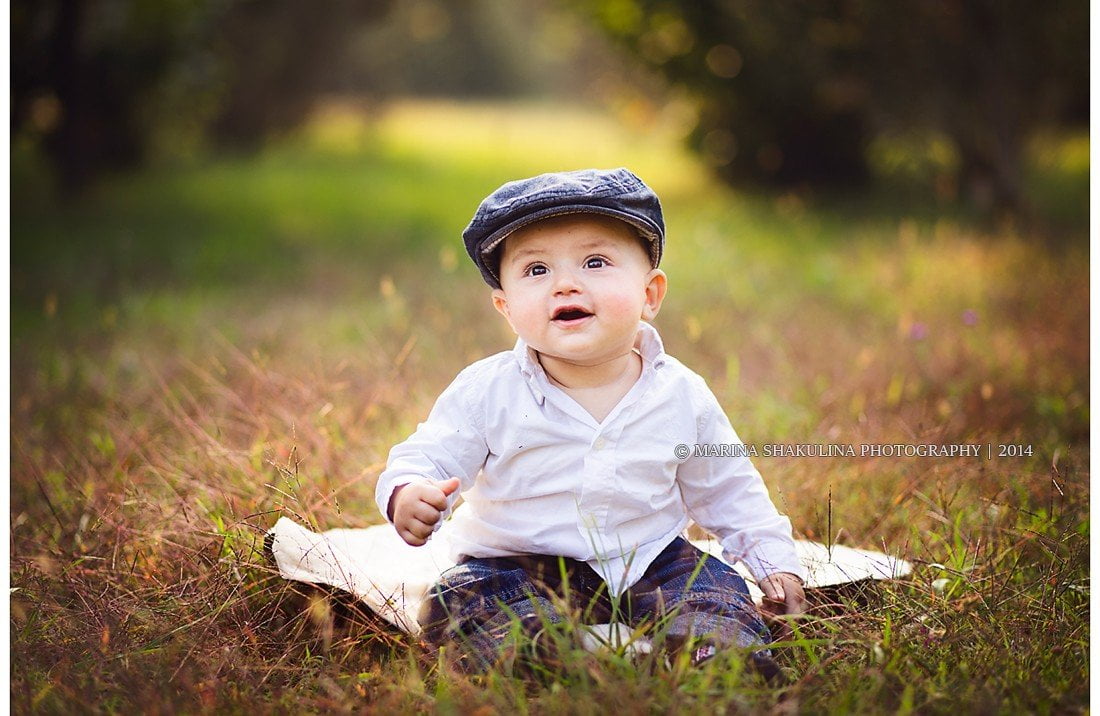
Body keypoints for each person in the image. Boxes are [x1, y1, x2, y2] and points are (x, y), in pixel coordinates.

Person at [374, 168, 806, 676]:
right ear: (506, 308)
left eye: (595, 261)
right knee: (464, 599)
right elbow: (427, 454)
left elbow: (729, 488)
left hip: (649, 561)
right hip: (515, 567)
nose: (565, 284)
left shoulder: (681, 394)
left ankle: (718, 659)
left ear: (651, 294)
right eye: (536, 270)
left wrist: (774, 562)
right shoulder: (487, 390)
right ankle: (537, 656)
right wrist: (409, 490)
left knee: (714, 590)